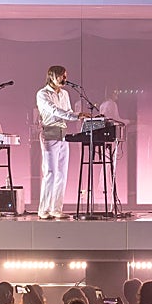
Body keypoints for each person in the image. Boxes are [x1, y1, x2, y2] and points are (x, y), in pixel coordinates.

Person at [36, 65, 89, 220]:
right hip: (50, 133)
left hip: (63, 134)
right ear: (52, 76)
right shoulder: (42, 94)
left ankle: (56, 209)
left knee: (61, 174)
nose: (65, 79)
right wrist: (76, 116)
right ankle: (43, 209)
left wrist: (79, 115)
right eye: (62, 76)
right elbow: (54, 111)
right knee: (50, 173)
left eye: (65, 76)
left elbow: (68, 111)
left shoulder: (65, 93)